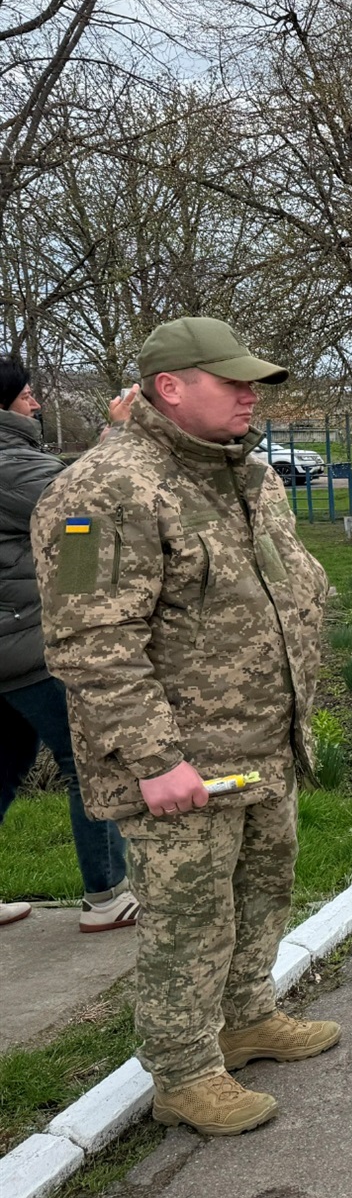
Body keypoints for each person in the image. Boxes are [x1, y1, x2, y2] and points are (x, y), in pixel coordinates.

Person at [33, 317, 338, 1137]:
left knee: (262, 887)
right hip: (179, 762)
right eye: (232, 380)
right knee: (187, 915)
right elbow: (89, 639)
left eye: (254, 382)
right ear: (170, 387)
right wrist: (154, 756)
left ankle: (246, 1017)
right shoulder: (99, 492)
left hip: (261, 741)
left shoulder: (248, 478)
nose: (251, 394)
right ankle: (183, 1069)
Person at [0, 360, 137, 930]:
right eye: (28, 396)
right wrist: (120, 437)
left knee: (4, 766)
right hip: (29, 641)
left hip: (8, 643)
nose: (35, 405)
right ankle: (107, 895)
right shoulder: (9, 463)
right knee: (91, 759)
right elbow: (83, 511)